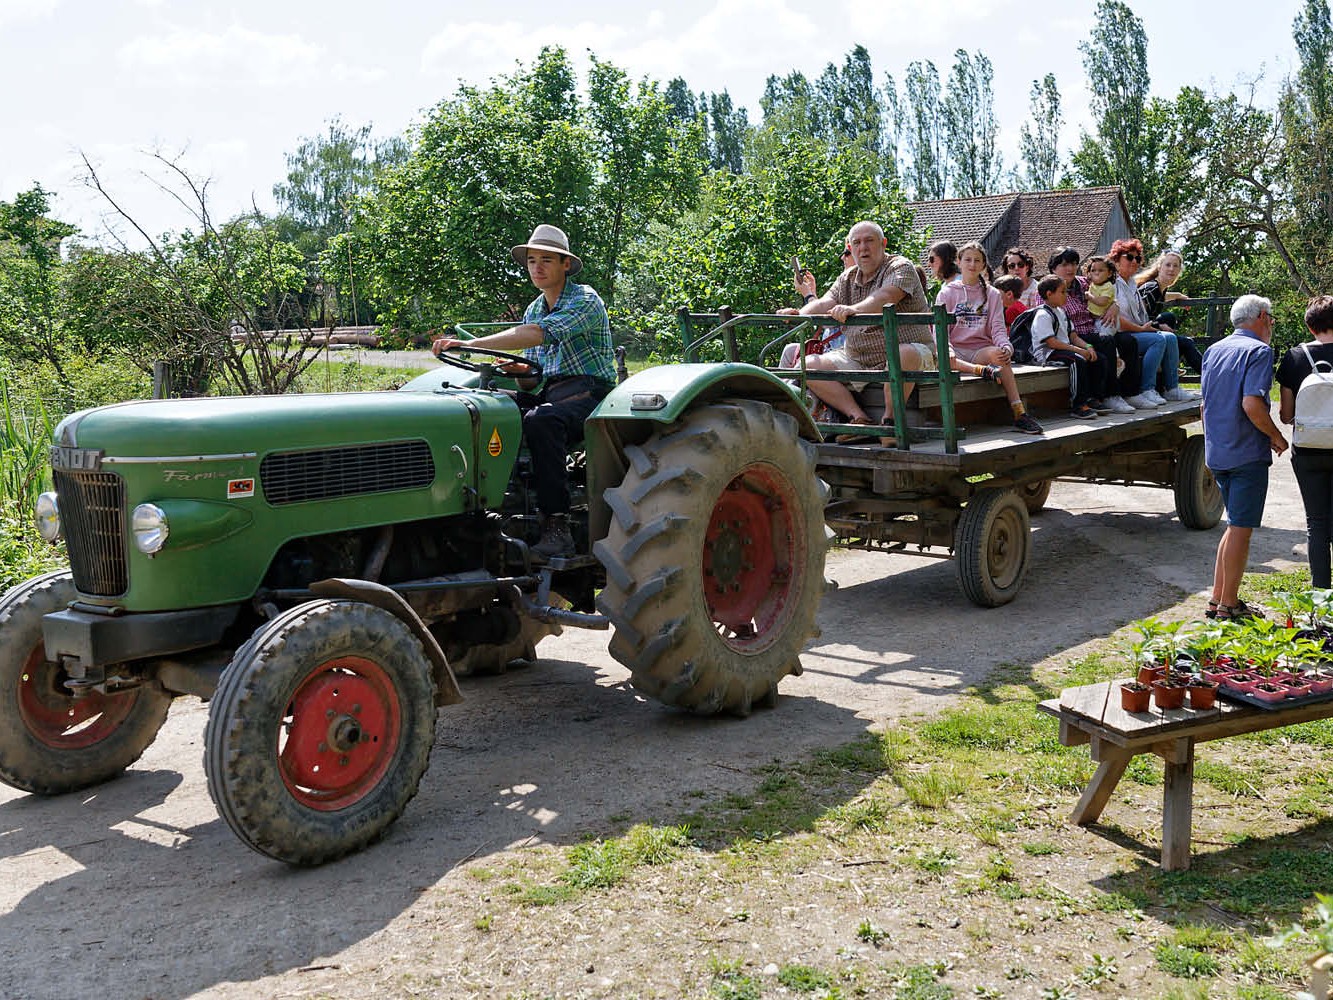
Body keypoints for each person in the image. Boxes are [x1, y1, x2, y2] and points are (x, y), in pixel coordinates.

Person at [431, 224, 616, 561]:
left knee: (542, 420)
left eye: (546, 260)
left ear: (565, 265)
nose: (537, 267)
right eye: (532, 261)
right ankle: (482, 506)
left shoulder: (585, 299)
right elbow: (531, 380)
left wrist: (469, 345)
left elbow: (535, 334)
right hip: (552, 393)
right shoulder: (534, 307)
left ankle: (556, 526)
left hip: (591, 395)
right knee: (487, 407)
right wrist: (518, 373)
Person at [796, 220, 935, 442]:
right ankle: (859, 419)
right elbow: (824, 303)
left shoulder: (901, 267)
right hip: (859, 357)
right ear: (850, 248)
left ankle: (890, 423)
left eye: (869, 241)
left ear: (883, 243)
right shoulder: (847, 278)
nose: (863, 247)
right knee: (807, 364)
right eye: (857, 243)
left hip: (910, 353)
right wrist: (799, 314)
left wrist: (853, 309)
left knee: (902, 354)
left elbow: (885, 297)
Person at [1200, 294, 1288, 620]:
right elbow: (1252, 404)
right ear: (1262, 316)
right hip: (1245, 453)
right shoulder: (1260, 352)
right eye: (1272, 318)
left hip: (1219, 450)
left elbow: (1204, 404)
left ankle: (1217, 599)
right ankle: (1230, 606)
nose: (1273, 325)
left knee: (1233, 525)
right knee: (1241, 529)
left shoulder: (1214, 350)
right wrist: (1276, 436)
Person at [935, 241, 1044, 434]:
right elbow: (940, 331)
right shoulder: (947, 292)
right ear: (959, 262)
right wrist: (948, 349)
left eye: (977, 260)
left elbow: (998, 328)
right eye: (967, 259)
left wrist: (1006, 347)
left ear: (984, 265)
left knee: (1000, 356)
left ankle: (1019, 412)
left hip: (979, 350)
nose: (972, 264)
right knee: (945, 356)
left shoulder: (992, 293)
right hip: (955, 350)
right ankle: (981, 371)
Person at [1278, 294, 1333, 587]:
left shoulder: (1296, 357)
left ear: (1310, 326)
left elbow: (1286, 415)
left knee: (1317, 523)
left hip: (1308, 450)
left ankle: (1321, 596)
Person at [1110, 239, 1196, 408]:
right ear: (1117, 259)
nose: (1134, 261)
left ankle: (1171, 388)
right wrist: (1144, 329)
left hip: (1135, 331)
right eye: (1129, 257)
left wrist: (1152, 327)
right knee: (1159, 339)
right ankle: (1146, 389)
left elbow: (1143, 313)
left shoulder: (1131, 284)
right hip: (1119, 334)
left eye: (1137, 258)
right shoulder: (1113, 284)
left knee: (1170, 337)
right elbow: (1117, 321)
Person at [1048, 246, 1135, 413]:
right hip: (1072, 336)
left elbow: (1107, 293)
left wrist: (1115, 306)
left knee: (1128, 341)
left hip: (1094, 328)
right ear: (1054, 268)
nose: (1070, 268)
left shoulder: (1083, 283)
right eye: (1065, 265)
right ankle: (1111, 395)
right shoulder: (1049, 289)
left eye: (1074, 264)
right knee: (1105, 344)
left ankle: (1132, 392)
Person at [1030, 275, 1104, 419]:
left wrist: (1088, 347)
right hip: (1048, 353)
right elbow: (1052, 342)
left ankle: (1093, 398)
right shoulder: (1043, 314)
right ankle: (1078, 404)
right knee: (1078, 361)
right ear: (1049, 294)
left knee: (1098, 358)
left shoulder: (1062, 312)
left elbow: (1073, 336)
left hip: (1064, 349)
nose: (1066, 295)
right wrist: (1078, 351)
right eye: (1062, 292)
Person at [779, 245, 852, 367]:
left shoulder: (854, 283)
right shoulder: (845, 281)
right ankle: (782, 386)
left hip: (841, 352)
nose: (842, 257)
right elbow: (824, 311)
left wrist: (807, 294)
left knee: (804, 364)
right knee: (790, 350)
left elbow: (827, 321)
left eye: (847, 252)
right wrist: (812, 294)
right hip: (830, 348)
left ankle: (788, 386)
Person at [1136, 250, 1204, 375]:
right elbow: (1137, 317)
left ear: (1179, 271)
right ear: (1159, 267)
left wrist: (1178, 295)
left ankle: (1167, 365)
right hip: (1135, 333)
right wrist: (1158, 326)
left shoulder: (1159, 289)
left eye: (1175, 266)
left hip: (1145, 330)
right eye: (1168, 265)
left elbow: (1161, 297)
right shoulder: (1152, 288)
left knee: (1169, 317)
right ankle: (1211, 376)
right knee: (1185, 342)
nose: (1171, 269)